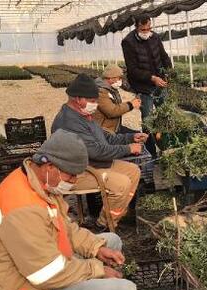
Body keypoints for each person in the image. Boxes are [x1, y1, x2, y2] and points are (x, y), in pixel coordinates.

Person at [0, 129, 138, 290]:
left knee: (111, 241)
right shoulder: (22, 209)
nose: (73, 181)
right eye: (71, 175)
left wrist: (96, 248)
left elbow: (65, 227)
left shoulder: (35, 181)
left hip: (36, 266)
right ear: (50, 167)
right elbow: (46, 274)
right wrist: (97, 269)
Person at [51, 74, 145, 229]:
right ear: (78, 99)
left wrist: (130, 138)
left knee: (133, 171)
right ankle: (104, 224)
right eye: (92, 101)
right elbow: (96, 151)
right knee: (121, 184)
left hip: (92, 164)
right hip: (76, 172)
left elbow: (105, 139)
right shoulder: (69, 121)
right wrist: (128, 149)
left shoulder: (84, 115)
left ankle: (117, 214)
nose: (95, 105)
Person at [122, 14, 172, 156]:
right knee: (148, 121)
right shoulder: (128, 42)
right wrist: (151, 78)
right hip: (144, 88)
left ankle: (167, 147)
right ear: (136, 27)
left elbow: (163, 56)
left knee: (166, 115)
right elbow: (132, 70)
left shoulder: (154, 37)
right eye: (143, 29)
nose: (146, 32)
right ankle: (151, 153)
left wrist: (169, 71)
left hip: (160, 84)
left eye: (149, 28)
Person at [95, 64, 142, 134]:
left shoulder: (111, 89)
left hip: (114, 127)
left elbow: (117, 106)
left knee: (138, 135)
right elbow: (112, 111)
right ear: (110, 78)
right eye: (119, 78)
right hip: (105, 131)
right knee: (136, 138)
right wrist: (130, 105)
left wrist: (132, 103)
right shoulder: (100, 92)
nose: (121, 81)